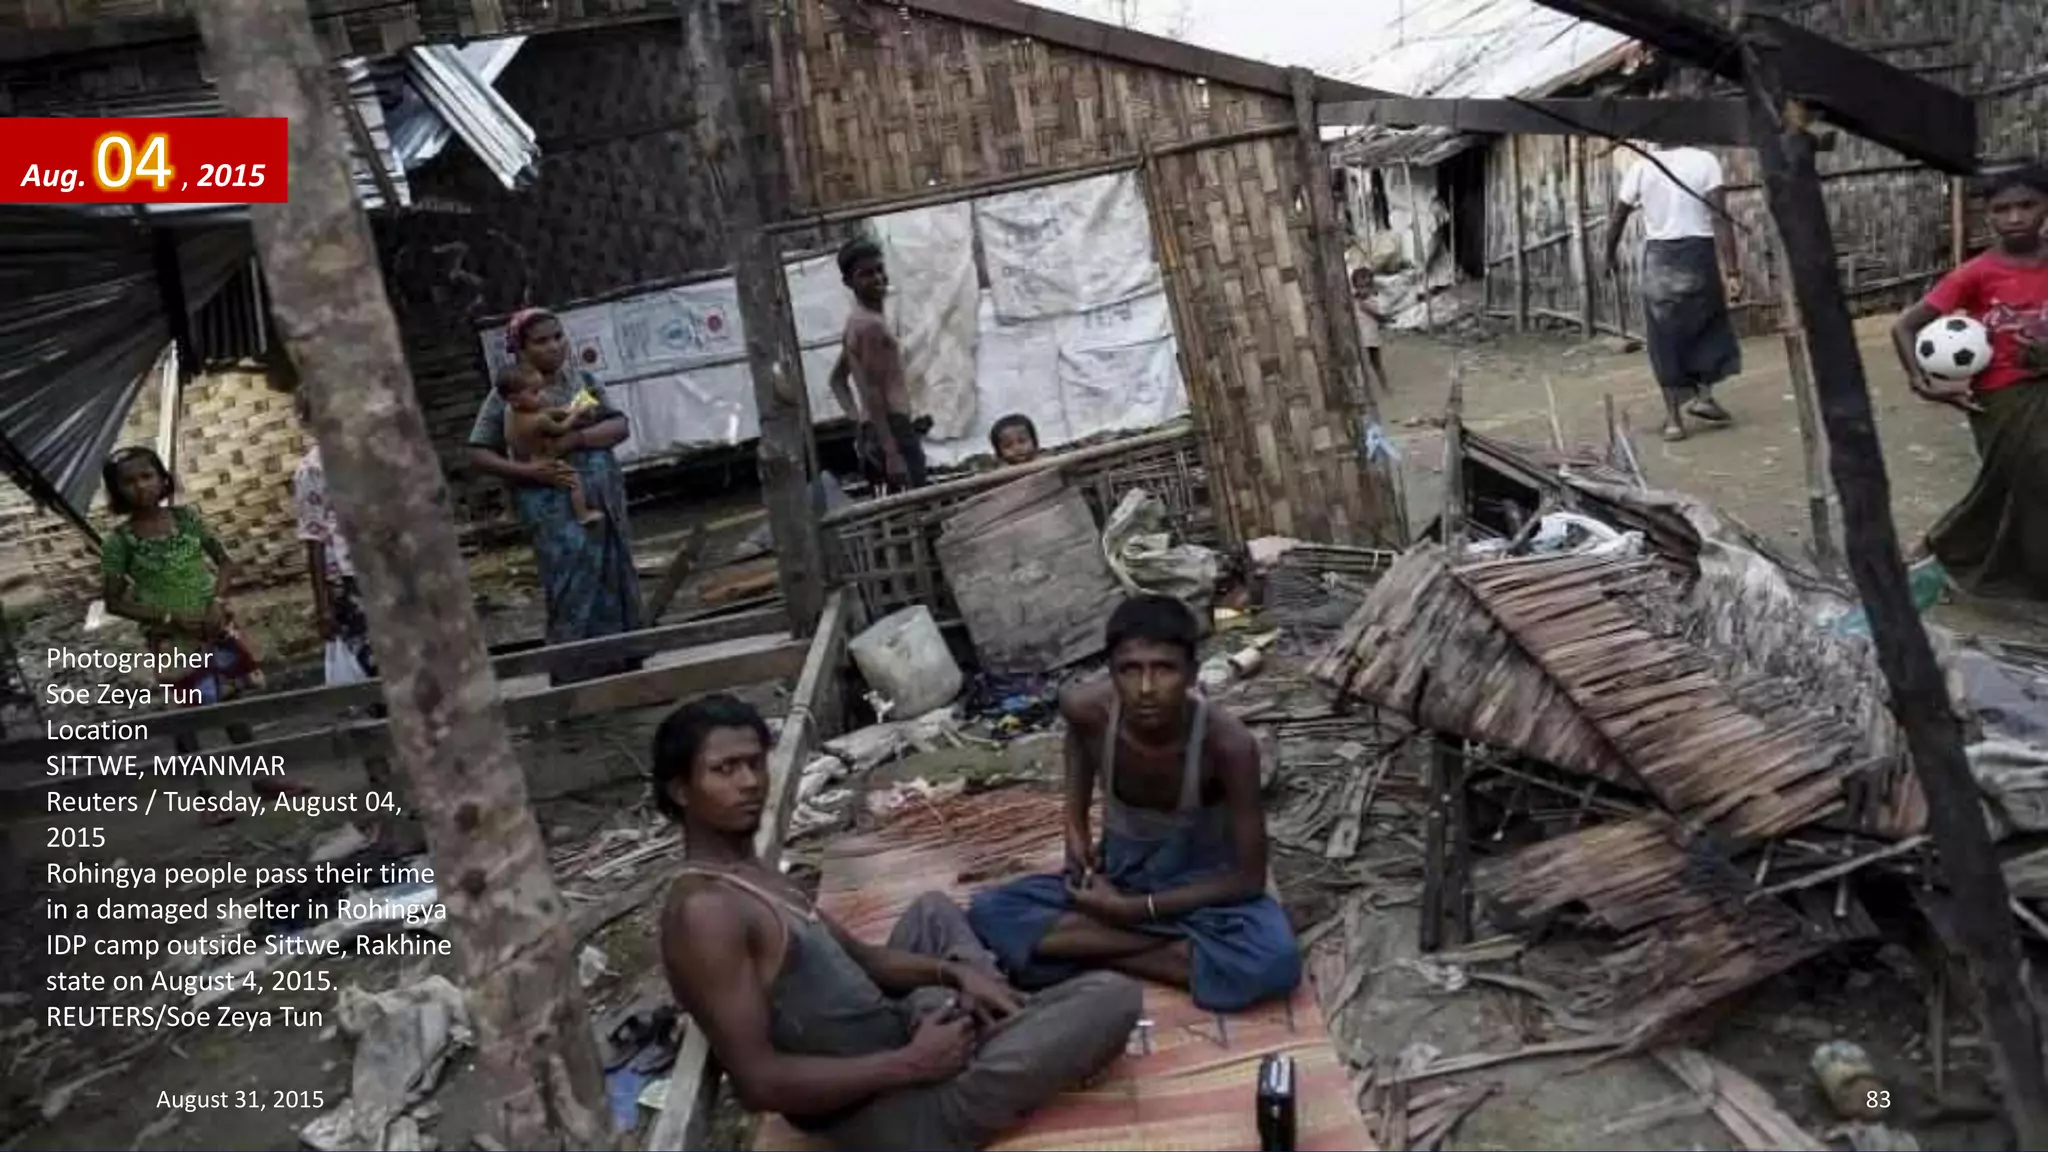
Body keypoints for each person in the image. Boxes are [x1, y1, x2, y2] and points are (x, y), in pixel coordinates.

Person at [655, 695, 1141, 1151]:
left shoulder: (750, 873)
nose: (749, 782)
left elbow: (867, 961)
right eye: (724, 769)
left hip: (894, 1036)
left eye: (755, 763)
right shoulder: (705, 912)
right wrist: (910, 1064)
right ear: (680, 791)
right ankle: (986, 1030)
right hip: (888, 1112)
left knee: (932, 912)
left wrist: (955, 974)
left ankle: (980, 1011)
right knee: (1112, 997)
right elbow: (758, 1083)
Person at [968, 595, 1302, 1013]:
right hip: (1121, 878)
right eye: (1130, 670)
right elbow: (1078, 738)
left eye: (1164, 669)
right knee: (990, 912)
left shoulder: (1227, 745)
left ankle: (1091, 949)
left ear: (1191, 673)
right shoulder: (1086, 710)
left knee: (1274, 963)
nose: (1145, 689)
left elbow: (1248, 880)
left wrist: (1133, 911)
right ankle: (1175, 954)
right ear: (1111, 672)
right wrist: (1075, 828)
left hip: (1203, 895)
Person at [1890, 165, 2048, 601]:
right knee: (2024, 474)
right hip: (2002, 395)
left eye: (2027, 205)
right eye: (2002, 209)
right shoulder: (1976, 273)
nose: (2015, 217)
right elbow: (1905, 326)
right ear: (1988, 214)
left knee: (2025, 484)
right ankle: (1943, 550)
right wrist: (1922, 381)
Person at [466, 308, 642, 680]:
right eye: (541, 341)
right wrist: (527, 471)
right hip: (552, 505)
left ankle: (625, 666)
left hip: (602, 498)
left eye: (558, 336)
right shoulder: (509, 396)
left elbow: (619, 425)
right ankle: (575, 678)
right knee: (572, 583)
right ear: (521, 349)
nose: (553, 346)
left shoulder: (582, 381)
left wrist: (578, 438)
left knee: (614, 575)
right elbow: (478, 452)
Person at [99, 446, 261, 707]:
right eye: (129, 482)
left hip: (214, 624)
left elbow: (226, 563)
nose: (140, 486)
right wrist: (170, 619)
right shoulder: (119, 542)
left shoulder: (186, 519)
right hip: (172, 640)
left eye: (146, 476)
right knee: (196, 708)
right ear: (117, 491)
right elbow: (113, 603)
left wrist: (217, 603)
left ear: (163, 478)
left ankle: (244, 735)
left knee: (239, 701)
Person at [1603, 143, 1743, 442]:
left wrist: (1608, 256)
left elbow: (1618, 216)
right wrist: (1732, 271)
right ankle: (1703, 396)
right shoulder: (1705, 160)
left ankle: (1673, 421)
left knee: (1664, 337)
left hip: (1660, 259)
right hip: (1698, 256)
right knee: (1707, 328)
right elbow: (1720, 217)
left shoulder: (1642, 167)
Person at [828, 238, 929, 493]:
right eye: (865, 274)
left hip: (878, 430)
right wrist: (892, 452)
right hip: (893, 430)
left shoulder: (856, 322)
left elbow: (837, 380)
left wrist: (858, 422)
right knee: (920, 502)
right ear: (848, 282)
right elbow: (874, 390)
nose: (877, 278)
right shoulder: (870, 326)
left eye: (879, 270)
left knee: (898, 502)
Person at [291, 390, 375, 683]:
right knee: (366, 659)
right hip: (346, 578)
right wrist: (322, 607)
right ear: (308, 421)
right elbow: (313, 536)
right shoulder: (311, 470)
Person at [497, 364, 605, 527]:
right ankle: (583, 514)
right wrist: (575, 414)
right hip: (542, 464)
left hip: (517, 461)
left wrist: (564, 410)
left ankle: (509, 513)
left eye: (541, 390)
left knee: (507, 482)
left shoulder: (509, 411)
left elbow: (540, 412)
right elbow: (561, 428)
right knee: (574, 479)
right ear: (514, 400)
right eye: (535, 392)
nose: (542, 396)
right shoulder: (539, 421)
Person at [1351, 265, 1391, 392]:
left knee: (1376, 364)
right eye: (1360, 287)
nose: (1363, 290)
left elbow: (1383, 319)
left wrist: (1368, 310)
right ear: (1355, 286)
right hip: (1359, 339)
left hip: (1372, 339)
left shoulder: (1375, 300)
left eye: (1366, 287)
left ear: (1371, 286)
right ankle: (1365, 390)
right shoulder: (1352, 301)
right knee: (1361, 366)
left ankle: (1385, 388)